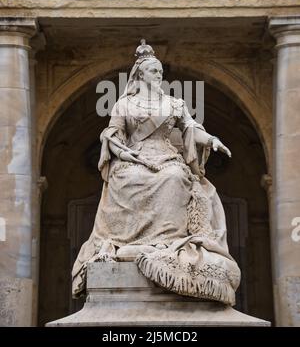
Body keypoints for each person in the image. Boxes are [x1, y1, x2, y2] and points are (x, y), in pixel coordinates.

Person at [72, 40, 241, 305]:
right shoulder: (124, 104)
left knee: (174, 178)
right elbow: (114, 134)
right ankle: (130, 241)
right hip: (134, 157)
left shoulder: (175, 103)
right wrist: (124, 152)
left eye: (160, 71)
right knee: (127, 177)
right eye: (153, 71)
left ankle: (167, 242)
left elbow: (190, 128)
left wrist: (211, 140)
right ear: (140, 75)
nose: (158, 75)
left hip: (167, 156)